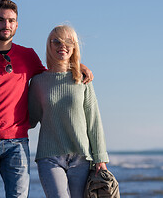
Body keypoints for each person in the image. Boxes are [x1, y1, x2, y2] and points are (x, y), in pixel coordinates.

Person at [0, 0, 93, 198]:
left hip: (16, 144)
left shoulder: (28, 55)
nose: (6, 25)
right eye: (1, 20)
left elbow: (52, 76)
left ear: (16, 25)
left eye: (11, 21)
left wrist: (77, 66)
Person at [28, 25, 109, 198]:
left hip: (81, 158)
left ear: (74, 47)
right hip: (49, 157)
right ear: (49, 46)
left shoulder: (82, 80)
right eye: (56, 41)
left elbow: (93, 120)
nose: (62, 45)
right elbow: (29, 120)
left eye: (68, 42)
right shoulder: (38, 82)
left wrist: (100, 157)